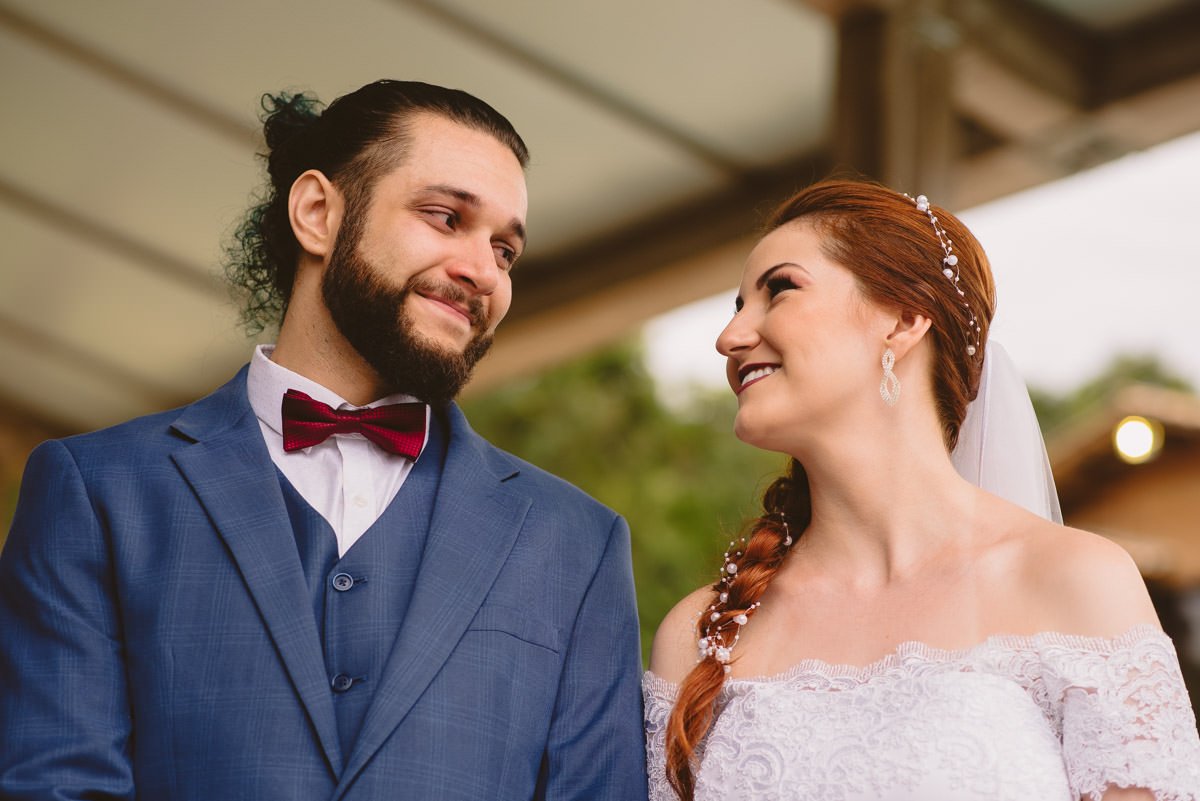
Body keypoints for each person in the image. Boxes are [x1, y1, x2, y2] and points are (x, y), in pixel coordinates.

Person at [0, 79, 647, 801]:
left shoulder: (577, 544)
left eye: (505, 250)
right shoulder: (98, 490)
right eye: (444, 217)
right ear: (317, 213)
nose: (481, 272)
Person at [644, 178, 1200, 800]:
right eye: (735, 306)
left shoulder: (1075, 580)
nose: (730, 337)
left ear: (905, 319)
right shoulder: (699, 634)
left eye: (779, 290)